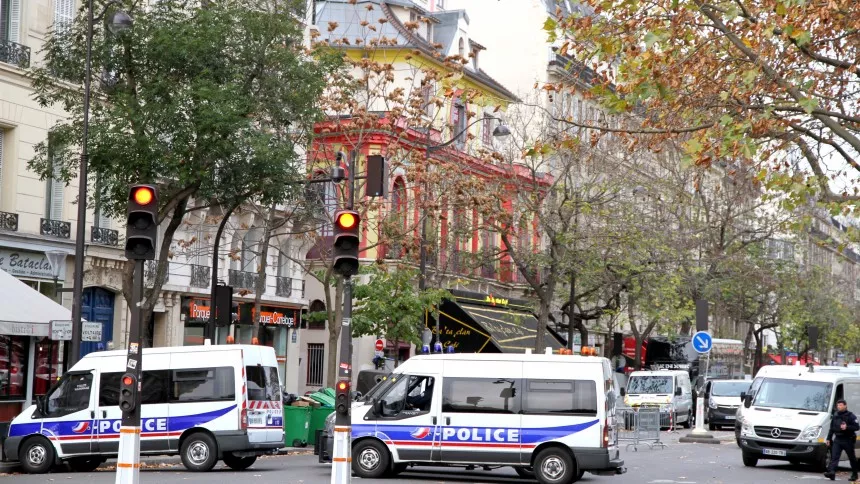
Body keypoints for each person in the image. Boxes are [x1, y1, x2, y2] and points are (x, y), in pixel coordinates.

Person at [825, 399, 859, 481]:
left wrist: (847, 427)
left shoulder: (851, 416)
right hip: (838, 439)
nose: (839, 407)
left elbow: (857, 427)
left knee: (852, 458)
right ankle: (832, 473)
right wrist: (828, 438)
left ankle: (855, 474)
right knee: (834, 457)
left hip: (848, 439)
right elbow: (831, 428)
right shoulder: (835, 415)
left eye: (840, 405)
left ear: (845, 405)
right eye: (838, 405)